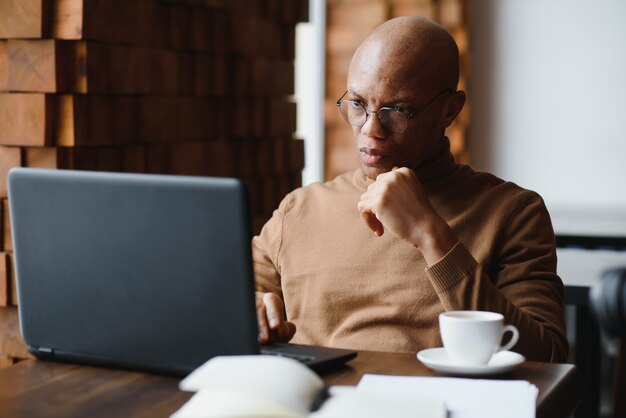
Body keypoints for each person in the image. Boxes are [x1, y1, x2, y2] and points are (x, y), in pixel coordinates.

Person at [253, 16, 568, 362]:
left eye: (398, 110)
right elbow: (228, 302)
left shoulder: (513, 213)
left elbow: (547, 359)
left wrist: (428, 232)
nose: (371, 130)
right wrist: (250, 310)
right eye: (358, 104)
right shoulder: (300, 209)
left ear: (450, 110)